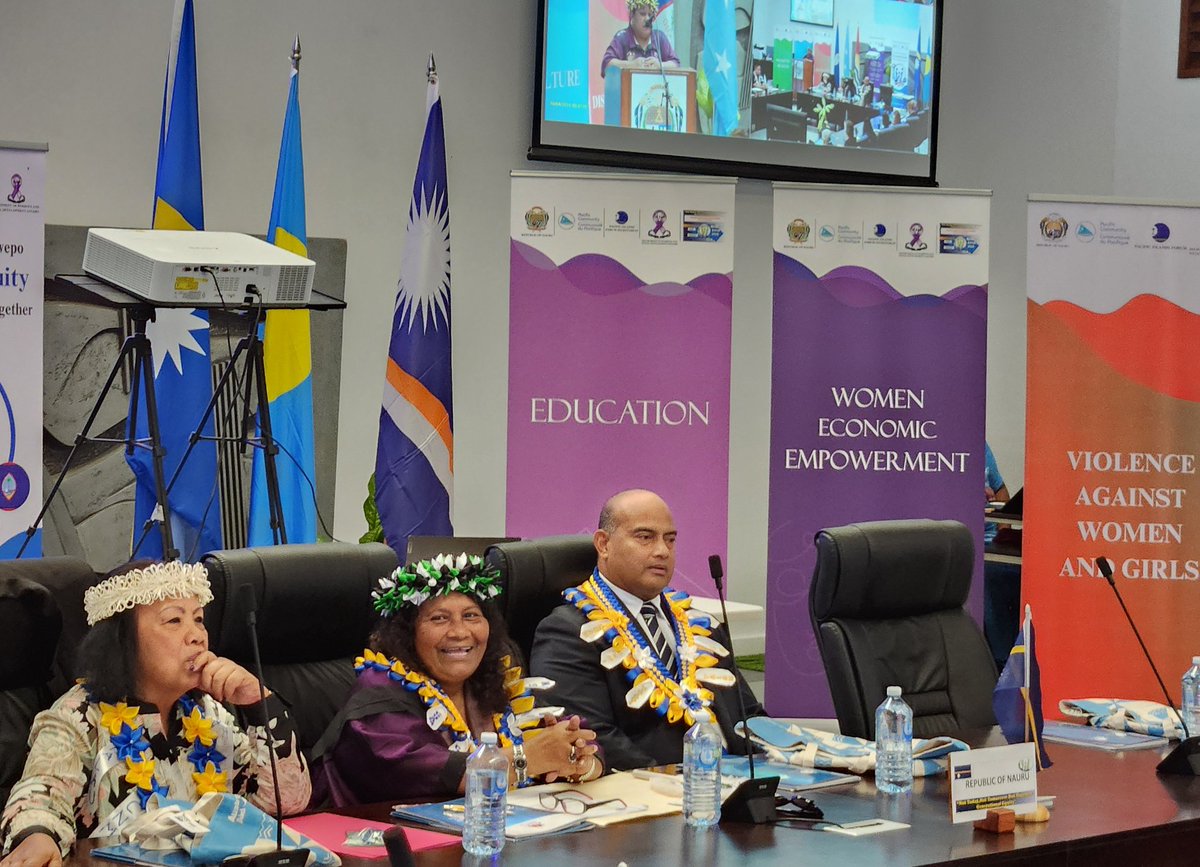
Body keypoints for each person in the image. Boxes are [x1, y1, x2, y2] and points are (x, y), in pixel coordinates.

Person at [0, 561, 310, 867]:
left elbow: (285, 801)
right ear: (123, 639)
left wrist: (259, 703)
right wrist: (36, 835)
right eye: (174, 620)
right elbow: (40, 797)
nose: (197, 636)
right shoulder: (80, 714)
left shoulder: (209, 713)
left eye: (199, 619)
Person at [310, 554, 602, 806]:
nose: (460, 632)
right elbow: (440, 775)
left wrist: (580, 761)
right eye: (439, 619)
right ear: (406, 633)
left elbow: (575, 737)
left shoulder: (493, 682)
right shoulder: (378, 695)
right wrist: (528, 758)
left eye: (472, 616)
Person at [530, 490, 765, 771]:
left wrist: (797, 757)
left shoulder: (700, 625)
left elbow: (748, 714)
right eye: (645, 537)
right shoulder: (569, 632)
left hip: (738, 785)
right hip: (658, 794)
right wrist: (678, 785)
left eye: (670, 539)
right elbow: (593, 737)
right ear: (603, 544)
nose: (662, 551)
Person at [601, 0, 679, 78]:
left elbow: (676, 64)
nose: (647, 19)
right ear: (632, 15)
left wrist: (660, 65)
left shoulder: (659, 38)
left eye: (650, 15)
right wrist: (632, 65)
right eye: (642, 14)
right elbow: (607, 64)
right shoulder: (622, 38)